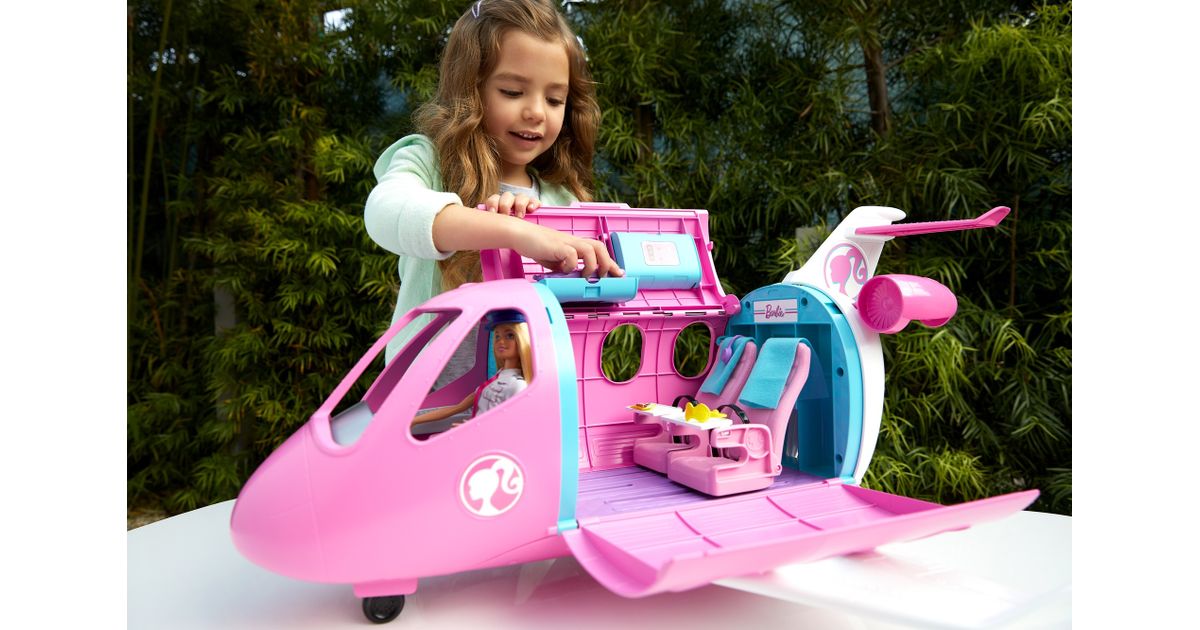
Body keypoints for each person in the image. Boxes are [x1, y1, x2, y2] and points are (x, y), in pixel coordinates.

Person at [364, 0, 623, 365]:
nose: (536, 112)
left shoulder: (562, 199)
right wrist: (513, 232)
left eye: (554, 99)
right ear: (470, 89)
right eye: (512, 92)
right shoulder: (428, 163)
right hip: (424, 397)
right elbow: (384, 212)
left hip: (529, 393)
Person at [413, 310, 534, 426]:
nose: (501, 341)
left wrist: (472, 427)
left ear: (521, 338)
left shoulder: (518, 385)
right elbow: (457, 408)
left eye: (510, 335)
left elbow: (512, 425)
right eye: (497, 336)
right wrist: (415, 420)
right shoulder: (494, 381)